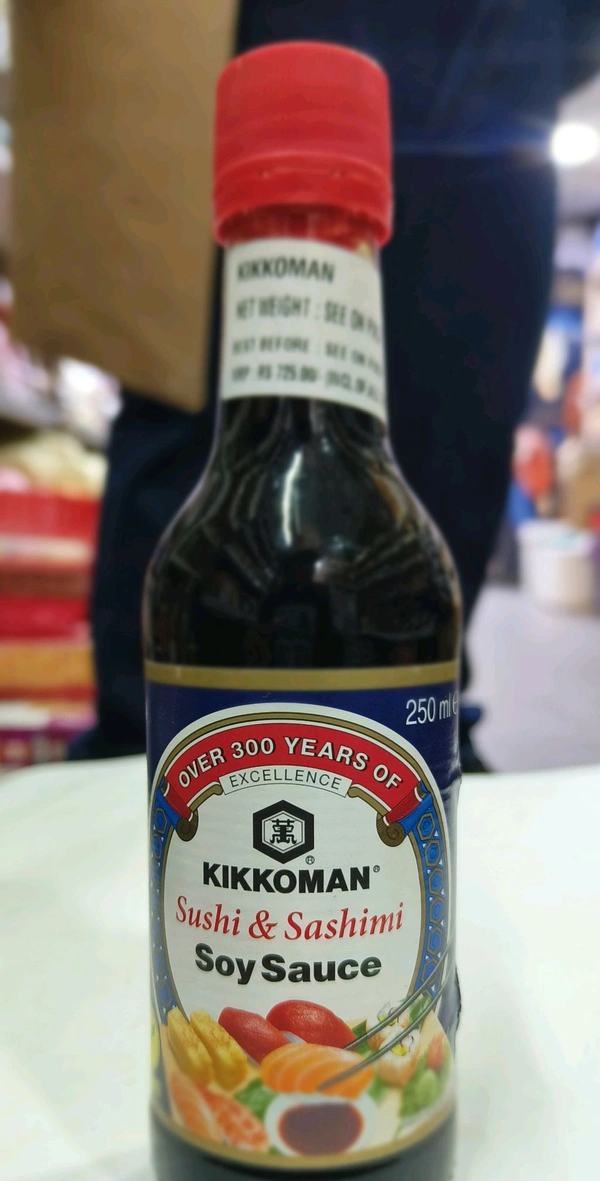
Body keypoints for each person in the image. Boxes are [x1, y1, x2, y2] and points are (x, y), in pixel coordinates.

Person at [71, 1, 600, 766]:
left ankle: (426, 734)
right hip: (323, 39)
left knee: (456, 434)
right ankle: (139, 741)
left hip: (498, 64)